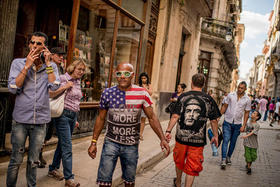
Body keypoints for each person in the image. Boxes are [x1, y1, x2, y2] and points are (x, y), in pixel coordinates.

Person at [88, 62, 170, 187]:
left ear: (132, 75)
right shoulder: (107, 93)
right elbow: (100, 118)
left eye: (126, 73)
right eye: (119, 73)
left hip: (131, 144)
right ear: (116, 75)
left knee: (129, 182)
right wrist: (93, 142)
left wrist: (162, 138)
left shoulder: (142, 93)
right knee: (104, 182)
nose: (122, 76)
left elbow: (152, 117)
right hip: (111, 142)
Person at [6, 31, 60, 187]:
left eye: (39, 44)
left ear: (45, 47)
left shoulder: (51, 66)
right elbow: (13, 88)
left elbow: (54, 86)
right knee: (16, 159)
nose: (35, 46)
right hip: (21, 120)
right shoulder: (18, 63)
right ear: (29, 44)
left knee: (34, 160)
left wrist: (49, 64)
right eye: (33, 43)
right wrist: (27, 66)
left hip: (40, 120)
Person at [165, 73, 221, 187]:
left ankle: (178, 182)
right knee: (192, 166)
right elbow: (214, 120)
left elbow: (175, 116)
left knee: (179, 162)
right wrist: (215, 136)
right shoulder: (208, 99)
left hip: (181, 138)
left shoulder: (183, 97)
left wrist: (168, 131)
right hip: (198, 141)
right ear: (203, 84)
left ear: (191, 82)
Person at [47, 59, 86, 187]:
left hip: (73, 116)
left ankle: (53, 168)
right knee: (67, 146)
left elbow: (76, 100)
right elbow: (50, 93)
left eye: (83, 70)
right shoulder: (63, 78)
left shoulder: (78, 81)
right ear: (73, 68)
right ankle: (69, 179)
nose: (81, 72)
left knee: (62, 144)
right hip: (62, 115)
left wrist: (76, 118)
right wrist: (64, 87)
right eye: (79, 69)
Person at [38, 46, 66, 168]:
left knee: (48, 133)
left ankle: (39, 153)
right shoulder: (46, 66)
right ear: (52, 55)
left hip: (54, 105)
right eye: (59, 55)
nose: (61, 57)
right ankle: (37, 155)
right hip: (45, 103)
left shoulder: (59, 68)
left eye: (62, 55)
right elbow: (49, 88)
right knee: (42, 131)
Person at [220, 81, 251, 170]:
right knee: (225, 140)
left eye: (242, 88)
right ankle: (223, 159)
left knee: (233, 142)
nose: (239, 89)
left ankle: (229, 156)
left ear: (245, 89)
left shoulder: (247, 99)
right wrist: (219, 116)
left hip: (237, 124)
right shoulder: (230, 95)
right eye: (239, 87)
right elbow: (224, 106)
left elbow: (246, 113)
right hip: (227, 122)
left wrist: (244, 125)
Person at [241, 110, 261, 175]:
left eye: (254, 113)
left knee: (253, 156)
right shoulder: (248, 123)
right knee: (247, 155)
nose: (252, 114)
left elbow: (252, 132)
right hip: (246, 143)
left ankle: (248, 164)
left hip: (254, 144)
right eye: (252, 113)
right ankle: (249, 168)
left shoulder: (257, 125)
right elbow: (245, 130)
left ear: (257, 117)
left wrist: (246, 136)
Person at [138, 72, 153, 141]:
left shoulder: (149, 85)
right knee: (136, 119)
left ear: (147, 79)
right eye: (142, 78)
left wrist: (144, 88)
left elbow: (150, 93)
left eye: (144, 78)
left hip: (146, 105)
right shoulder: (138, 85)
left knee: (143, 119)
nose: (143, 79)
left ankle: (140, 134)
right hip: (138, 104)